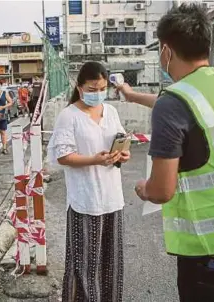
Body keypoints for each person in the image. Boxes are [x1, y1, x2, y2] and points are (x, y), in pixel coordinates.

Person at [117, 4, 214, 301]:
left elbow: (163, 190)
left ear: (166, 51)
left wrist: (144, 188)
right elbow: (183, 107)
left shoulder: (174, 103)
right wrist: (131, 95)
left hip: (208, 254)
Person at [48, 61, 130, 301]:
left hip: (112, 199)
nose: (98, 93)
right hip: (85, 200)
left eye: (102, 88)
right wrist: (94, 159)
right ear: (80, 86)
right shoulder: (69, 115)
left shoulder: (111, 112)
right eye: (92, 89)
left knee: (111, 263)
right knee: (83, 265)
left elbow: (122, 141)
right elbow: (63, 156)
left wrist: (122, 154)